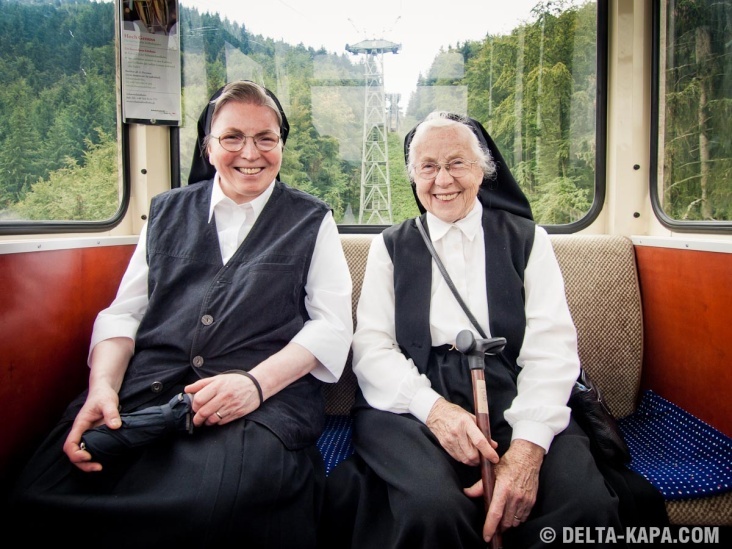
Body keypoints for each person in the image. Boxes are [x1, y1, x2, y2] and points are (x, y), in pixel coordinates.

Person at [9, 80, 353, 549]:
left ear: (281, 146)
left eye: (266, 138)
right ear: (208, 146)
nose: (250, 152)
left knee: (213, 508)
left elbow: (331, 326)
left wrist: (252, 386)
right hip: (146, 388)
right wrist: (103, 388)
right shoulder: (166, 211)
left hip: (260, 398)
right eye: (232, 136)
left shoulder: (312, 219)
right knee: (40, 489)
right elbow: (123, 315)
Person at [320, 111, 666, 549]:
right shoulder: (389, 247)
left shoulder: (528, 240)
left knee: (582, 508)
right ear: (413, 177)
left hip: (515, 387)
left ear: (483, 170)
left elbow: (551, 350)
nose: (442, 179)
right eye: (428, 166)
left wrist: (526, 449)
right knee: (432, 509)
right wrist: (435, 410)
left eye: (457, 163)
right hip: (411, 399)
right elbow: (372, 349)